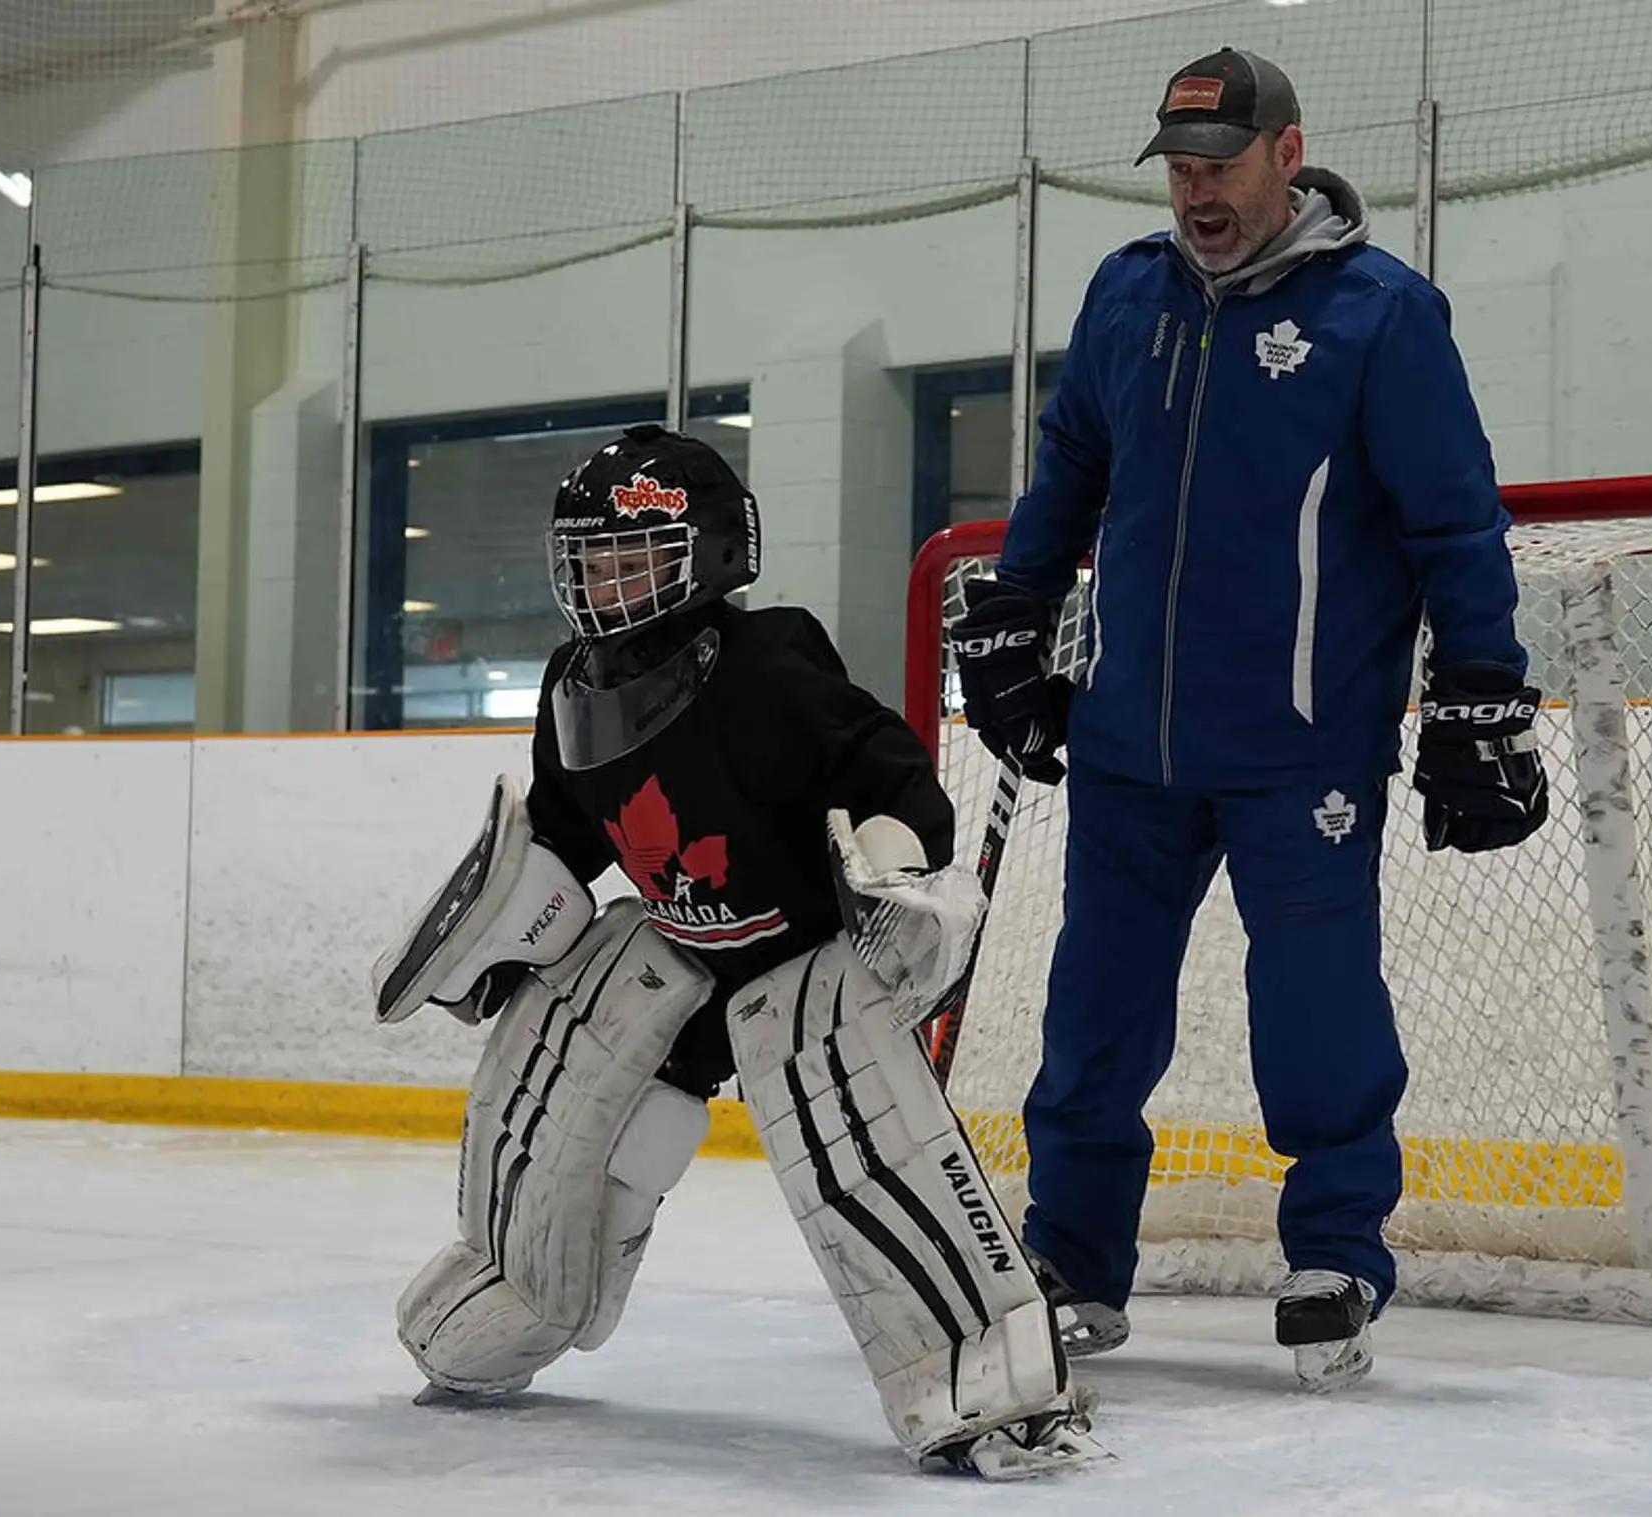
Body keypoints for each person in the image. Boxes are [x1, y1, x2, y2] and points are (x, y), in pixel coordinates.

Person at [948, 47, 1549, 1392]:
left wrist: (1480, 692)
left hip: (1303, 745)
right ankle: (1073, 1257)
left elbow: (1455, 522)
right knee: (1095, 1007)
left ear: (1288, 153)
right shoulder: (1127, 293)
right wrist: (1013, 615)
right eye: (1178, 167)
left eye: (1220, 164)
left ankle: (1334, 1252)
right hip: (1128, 744)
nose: (1196, 192)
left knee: (1316, 1003)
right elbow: (1072, 471)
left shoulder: (1381, 316)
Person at [370, 423, 1106, 1480]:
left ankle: (985, 1370)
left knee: (836, 1096)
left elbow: (901, 784)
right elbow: (568, 835)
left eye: (626, 554)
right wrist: (500, 937)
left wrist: (886, 877)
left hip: (810, 960)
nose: (599, 579)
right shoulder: (568, 688)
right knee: (570, 1049)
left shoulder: (768, 665)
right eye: (587, 558)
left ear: (704, 553)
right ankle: (517, 1285)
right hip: (686, 953)